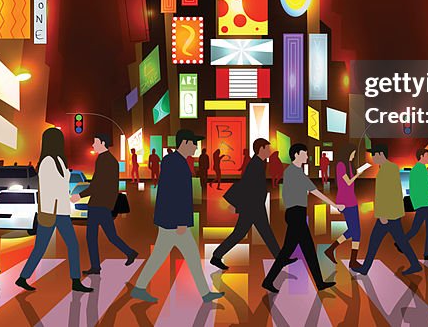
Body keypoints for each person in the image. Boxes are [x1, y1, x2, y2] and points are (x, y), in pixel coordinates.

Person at [131, 129, 224, 304]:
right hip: (174, 223)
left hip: (171, 222)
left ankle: (140, 288)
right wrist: (181, 222)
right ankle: (205, 294)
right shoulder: (174, 162)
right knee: (188, 256)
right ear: (184, 143)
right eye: (193, 143)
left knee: (168, 256)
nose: (195, 147)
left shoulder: (176, 161)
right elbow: (173, 193)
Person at [16, 128, 93, 293]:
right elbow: (47, 189)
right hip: (52, 212)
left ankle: (74, 281)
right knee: (42, 247)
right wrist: (52, 209)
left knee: (70, 245)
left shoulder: (59, 160)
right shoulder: (47, 162)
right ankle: (23, 278)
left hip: (61, 211)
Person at [262, 144, 344, 294]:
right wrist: (335, 205)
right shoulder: (295, 172)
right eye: (304, 153)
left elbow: (289, 193)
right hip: (297, 215)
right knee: (300, 250)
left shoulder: (292, 171)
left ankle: (317, 283)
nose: (307, 156)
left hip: (294, 213)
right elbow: (315, 192)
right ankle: (270, 280)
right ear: (296, 155)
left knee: (301, 250)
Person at [212, 138, 288, 270]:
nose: (269, 151)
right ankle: (216, 256)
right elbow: (245, 185)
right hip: (253, 206)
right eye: (267, 148)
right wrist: (237, 206)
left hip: (255, 205)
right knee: (253, 233)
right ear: (261, 149)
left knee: (252, 233)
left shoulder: (259, 163)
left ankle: (216, 256)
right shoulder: (255, 164)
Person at [351, 145, 423, 277]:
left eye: (374, 155)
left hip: (388, 216)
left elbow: (389, 193)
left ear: (380, 154)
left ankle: (365, 268)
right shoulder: (387, 168)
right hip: (391, 215)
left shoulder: (388, 169)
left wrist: (384, 214)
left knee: (375, 241)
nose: (373, 158)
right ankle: (415, 264)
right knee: (399, 241)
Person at [85, 134, 138, 275]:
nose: (93, 145)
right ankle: (129, 252)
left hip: (98, 204)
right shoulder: (110, 160)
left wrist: (80, 195)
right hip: (104, 204)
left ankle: (96, 266)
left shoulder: (104, 160)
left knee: (92, 237)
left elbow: (97, 184)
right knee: (110, 235)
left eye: (95, 142)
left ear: (103, 143)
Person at [324, 144, 364, 268]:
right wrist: (358, 174)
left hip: (352, 199)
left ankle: (332, 250)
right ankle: (349, 259)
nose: (353, 156)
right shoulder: (341, 165)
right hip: (345, 201)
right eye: (353, 153)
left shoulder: (349, 165)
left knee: (354, 231)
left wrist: (356, 173)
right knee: (355, 231)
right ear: (348, 152)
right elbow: (348, 182)